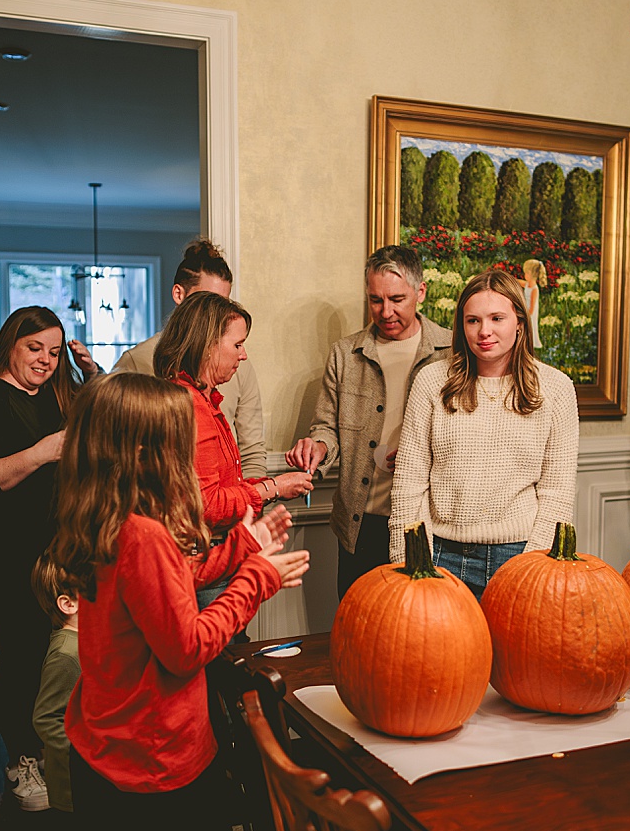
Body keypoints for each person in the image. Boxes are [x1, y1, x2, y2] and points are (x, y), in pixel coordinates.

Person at [37, 372, 309, 831]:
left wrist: (240, 547)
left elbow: (162, 593)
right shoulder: (145, 537)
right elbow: (187, 646)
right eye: (178, 439)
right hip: (153, 756)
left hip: (114, 740)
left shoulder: (107, 517)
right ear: (146, 451)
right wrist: (257, 579)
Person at [0, 306, 92, 811]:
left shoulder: (55, 397)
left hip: (57, 548)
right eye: (34, 349)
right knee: (21, 654)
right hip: (4, 552)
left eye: (54, 351)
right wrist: (44, 451)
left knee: (59, 655)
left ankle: (53, 757)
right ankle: (21, 761)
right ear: (10, 343)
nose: (45, 360)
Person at [389, 269, 579, 599]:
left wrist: (536, 564)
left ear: (520, 322)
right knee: (438, 651)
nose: (484, 331)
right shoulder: (432, 382)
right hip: (439, 554)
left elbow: (558, 491)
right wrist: (407, 557)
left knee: (513, 653)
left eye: (497, 318)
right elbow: (409, 479)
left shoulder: (556, 388)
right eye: (473, 320)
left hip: (518, 554)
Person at [285, 245, 453, 597]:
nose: (386, 312)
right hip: (361, 523)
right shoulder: (345, 355)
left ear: (421, 292)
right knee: (359, 632)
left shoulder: (451, 353)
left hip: (427, 522)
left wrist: (418, 457)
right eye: (375, 300)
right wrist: (317, 447)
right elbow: (326, 427)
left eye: (397, 299)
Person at [153, 290, 312, 612]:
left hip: (216, 555)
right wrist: (274, 488)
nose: (244, 355)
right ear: (208, 344)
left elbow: (219, 487)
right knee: (222, 655)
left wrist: (275, 487)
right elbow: (208, 504)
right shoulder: (189, 407)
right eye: (237, 344)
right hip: (207, 561)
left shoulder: (201, 400)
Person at [112, 237, 267, 478]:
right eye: (205, 301)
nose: (216, 313)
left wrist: (255, 502)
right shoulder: (136, 361)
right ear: (178, 294)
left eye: (222, 303)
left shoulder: (239, 365)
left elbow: (251, 451)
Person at [29, 558, 81, 817]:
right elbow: (46, 718)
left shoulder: (88, 641)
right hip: (78, 789)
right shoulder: (66, 654)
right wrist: (85, 756)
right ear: (68, 603)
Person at [521, 258, 544, 349]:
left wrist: (525, 314)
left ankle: (532, 344)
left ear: (531, 274)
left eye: (526, 273)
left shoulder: (534, 289)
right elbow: (517, 281)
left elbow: (532, 308)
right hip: (525, 309)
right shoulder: (527, 284)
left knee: (531, 328)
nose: (524, 275)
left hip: (530, 313)